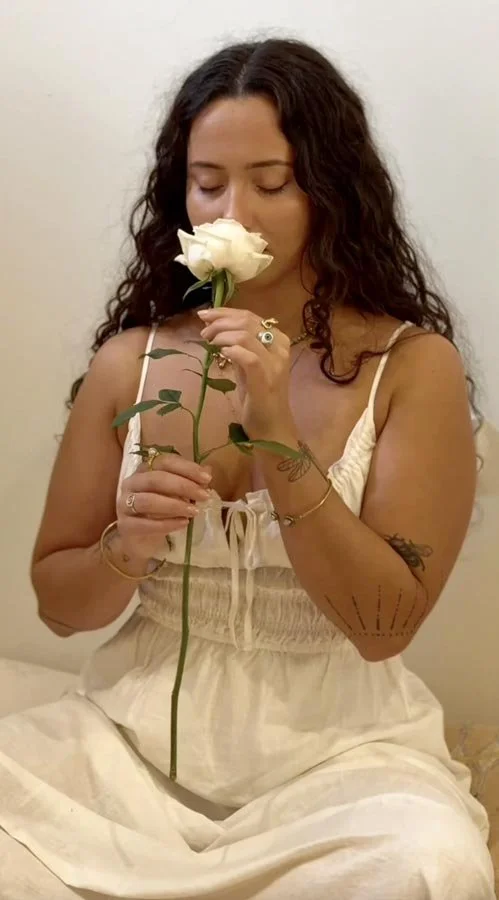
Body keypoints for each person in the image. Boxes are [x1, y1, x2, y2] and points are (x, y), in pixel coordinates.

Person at [0, 37, 495, 900]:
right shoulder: (131, 363)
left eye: (272, 182)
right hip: (127, 747)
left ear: (332, 189)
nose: (235, 212)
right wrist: (126, 546)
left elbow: (384, 628)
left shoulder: (412, 367)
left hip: (340, 766)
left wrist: (275, 430)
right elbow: (59, 603)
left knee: (427, 864)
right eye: (206, 183)